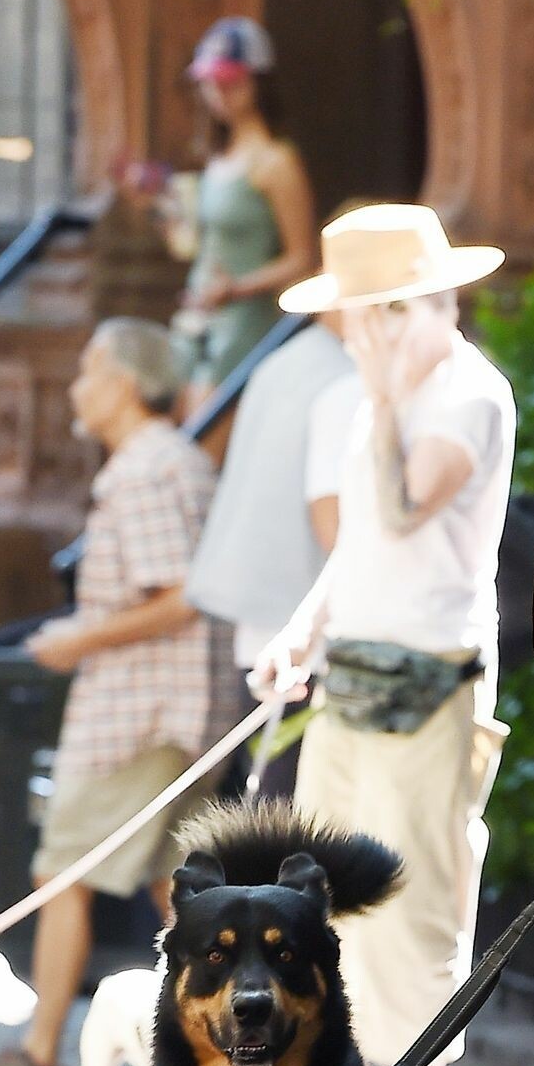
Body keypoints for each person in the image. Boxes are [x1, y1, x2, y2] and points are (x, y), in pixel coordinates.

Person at [252, 204, 516, 1066]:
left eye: (355, 312)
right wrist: (302, 631)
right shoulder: (385, 395)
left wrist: (385, 392)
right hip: (352, 672)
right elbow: (363, 543)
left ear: (399, 309)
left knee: (414, 892)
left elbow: (405, 509)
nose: (343, 329)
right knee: (322, 884)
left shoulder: (466, 394)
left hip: (434, 676)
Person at [0, 321, 238, 1066]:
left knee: (62, 871)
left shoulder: (146, 470)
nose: (75, 387)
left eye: (88, 371)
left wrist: (78, 640)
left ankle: (38, 1058)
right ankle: (230, 1059)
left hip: (141, 711)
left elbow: (180, 597)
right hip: (180, 708)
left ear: (126, 382)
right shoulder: (174, 461)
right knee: (181, 890)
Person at [185, 311, 359, 795]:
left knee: (271, 804)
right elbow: (337, 529)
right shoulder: (345, 381)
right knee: (292, 812)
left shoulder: (282, 363)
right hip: (308, 642)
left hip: (266, 627)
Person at [175, 18, 316, 409]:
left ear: (257, 83)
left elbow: (302, 257)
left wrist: (237, 288)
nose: (219, 93)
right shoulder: (215, 159)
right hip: (199, 316)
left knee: (205, 421)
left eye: (231, 82)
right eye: (211, 82)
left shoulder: (276, 162)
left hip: (245, 326)